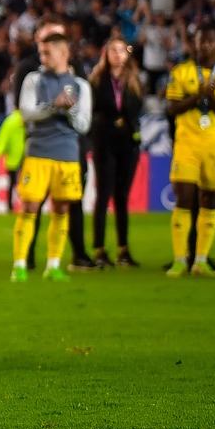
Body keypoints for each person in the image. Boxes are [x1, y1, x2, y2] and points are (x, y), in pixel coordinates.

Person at [10, 23, 92, 283]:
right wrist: (53, 106)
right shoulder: (34, 80)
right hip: (38, 152)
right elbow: (26, 113)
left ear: (63, 53)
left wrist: (69, 111)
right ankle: (19, 265)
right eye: (41, 52)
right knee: (30, 206)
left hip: (67, 155)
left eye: (47, 53)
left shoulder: (80, 85)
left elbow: (84, 125)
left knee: (62, 209)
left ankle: (53, 265)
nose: (42, 57)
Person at [164, 20, 215, 278]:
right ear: (194, 44)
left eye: (209, 41)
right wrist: (198, 95)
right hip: (187, 143)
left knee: (211, 201)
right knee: (184, 198)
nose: (205, 45)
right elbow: (172, 109)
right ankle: (179, 260)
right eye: (200, 41)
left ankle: (201, 260)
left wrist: (210, 96)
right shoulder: (181, 72)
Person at [87, 36, 145, 268]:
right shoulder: (97, 79)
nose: (118, 55)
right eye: (113, 50)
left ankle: (123, 249)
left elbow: (136, 109)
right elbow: (93, 110)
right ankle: (99, 249)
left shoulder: (134, 80)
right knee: (103, 195)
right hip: (104, 142)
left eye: (122, 50)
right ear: (106, 54)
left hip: (127, 143)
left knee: (122, 197)